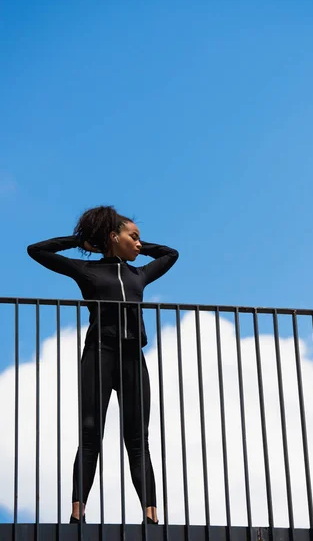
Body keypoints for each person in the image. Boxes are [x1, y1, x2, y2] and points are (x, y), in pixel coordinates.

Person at [27, 206, 179, 524]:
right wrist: (83, 241)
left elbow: (170, 254)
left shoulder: (140, 273)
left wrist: (138, 244)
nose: (140, 244)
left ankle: (151, 515)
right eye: (133, 237)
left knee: (138, 438)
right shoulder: (87, 270)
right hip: (99, 354)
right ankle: (77, 512)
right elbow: (36, 250)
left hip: (133, 359)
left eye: (141, 239)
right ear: (114, 237)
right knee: (90, 434)